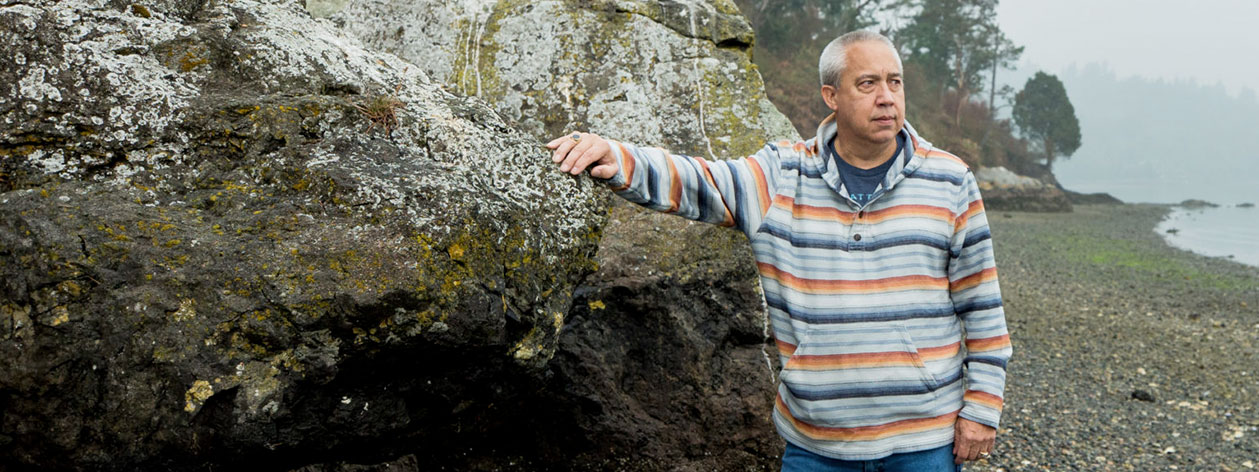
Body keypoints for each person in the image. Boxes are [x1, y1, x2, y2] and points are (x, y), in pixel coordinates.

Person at [545, 30, 1011, 471]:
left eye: (894, 82)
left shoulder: (950, 180)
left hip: (924, 441)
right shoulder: (782, 175)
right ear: (831, 96)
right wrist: (614, 155)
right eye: (867, 84)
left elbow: (982, 305)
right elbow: (699, 180)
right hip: (816, 446)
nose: (886, 97)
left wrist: (983, 408)